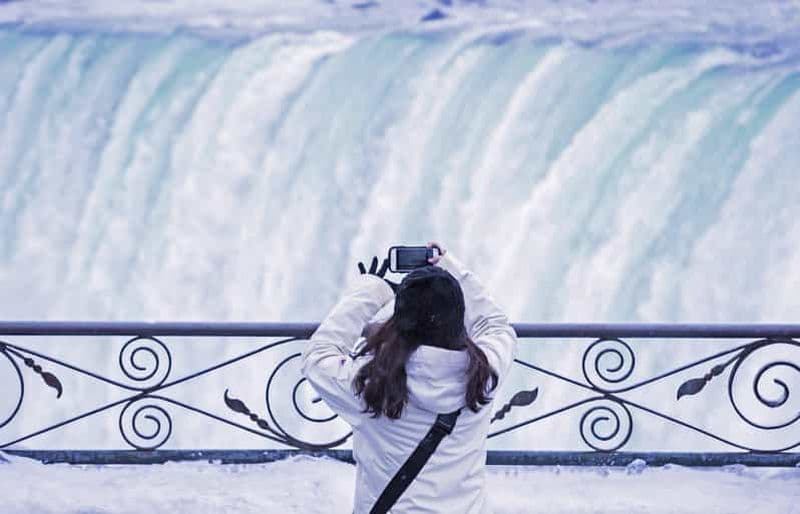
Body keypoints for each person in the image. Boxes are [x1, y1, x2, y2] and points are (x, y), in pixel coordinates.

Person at [300, 241, 517, 513]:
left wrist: (371, 290)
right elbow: (495, 325)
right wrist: (450, 268)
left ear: (398, 324)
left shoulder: (371, 383)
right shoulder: (484, 373)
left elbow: (317, 355)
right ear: (460, 318)